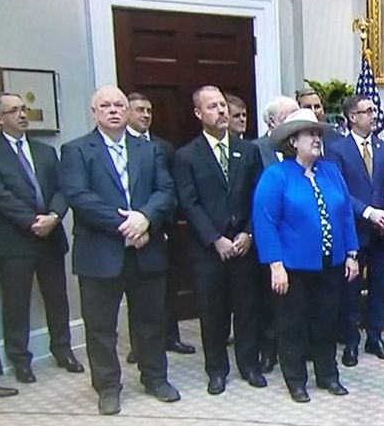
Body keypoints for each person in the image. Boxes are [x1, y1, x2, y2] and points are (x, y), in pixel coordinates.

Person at [59, 85, 180, 415]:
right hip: (100, 252)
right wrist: (126, 225)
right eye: (105, 106)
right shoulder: (76, 150)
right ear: (94, 112)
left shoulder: (149, 150)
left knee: (151, 321)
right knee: (101, 327)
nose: (113, 110)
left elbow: (165, 191)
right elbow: (79, 196)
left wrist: (145, 218)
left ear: (127, 111)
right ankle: (108, 387)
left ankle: (155, 378)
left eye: (119, 105)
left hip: (146, 248)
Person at [253, 108, 360, 402]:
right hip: (293, 267)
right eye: (309, 134)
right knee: (293, 324)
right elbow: (265, 221)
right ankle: (296, 380)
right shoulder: (276, 176)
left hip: (330, 264)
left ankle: (328, 375)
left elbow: (346, 215)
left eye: (318, 134)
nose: (316, 139)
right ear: (292, 141)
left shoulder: (331, 172)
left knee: (327, 321)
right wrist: (275, 265)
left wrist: (351, 253)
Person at [172, 86, 264, 395]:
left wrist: (248, 232)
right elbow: (189, 203)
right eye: (212, 107)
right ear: (198, 113)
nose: (222, 111)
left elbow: (257, 197)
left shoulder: (248, 151)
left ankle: (249, 365)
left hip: (243, 245)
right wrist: (215, 239)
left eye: (223, 105)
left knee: (247, 308)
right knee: (213, 313)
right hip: (208, 250)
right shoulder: (186, 156)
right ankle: (216, 370)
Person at [0, 92, 84, 383]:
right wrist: (31, 221)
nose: (22, 115)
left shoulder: (45, 152)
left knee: (57, 297)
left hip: (50, 235)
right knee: (16, 302)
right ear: (0, 119)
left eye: (24, 109)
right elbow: (1, 195)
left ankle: (63, 349)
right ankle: (20, 359)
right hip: (15, 240)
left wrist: (55, 216)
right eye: (14, 111)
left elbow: (63, 187)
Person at [326, 94, 384, 366]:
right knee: (350, 290)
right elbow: (338, 191)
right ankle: (351, 342)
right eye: (368, 111)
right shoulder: (337, 150)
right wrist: (369, 212)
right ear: (352, 117)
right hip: (353, 229)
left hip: (383, 230)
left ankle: (375, 337)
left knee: (379, 286)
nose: (374, 115)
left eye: (374, 110)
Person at [124, 92, 197, 361]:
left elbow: (170, 187)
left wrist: (161, 221)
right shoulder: (121, 146)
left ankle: (171, 336)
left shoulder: (164, 147)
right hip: (132, 229)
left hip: (164, 227)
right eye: (139, 110)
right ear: (127, 113)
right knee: (137, 290)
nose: (146, 115)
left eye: (149, 110)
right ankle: (138, 345)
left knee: (168, 286)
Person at [251, 95, 300, 373]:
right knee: (270, 299)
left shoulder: (306, 151)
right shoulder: (255, 149)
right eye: (288, 116)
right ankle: (269, 350)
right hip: (268, 236)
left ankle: (297, 349)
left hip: (297, 238)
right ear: (272, 122)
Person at [254, 96, 300, 169]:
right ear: (272, 122)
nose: (296, 124)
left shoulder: (304, 147)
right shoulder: (255, 148)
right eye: (290, 118)